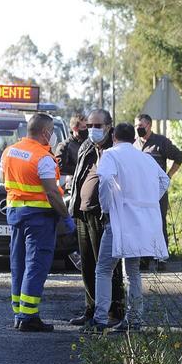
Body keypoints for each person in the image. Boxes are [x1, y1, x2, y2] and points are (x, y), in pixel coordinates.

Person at [91, 123, 171, 332]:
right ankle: (134, 318)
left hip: (118, 220)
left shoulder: (110, 154)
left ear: (114, 137)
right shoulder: (145, 157)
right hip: (141, 221)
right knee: (133, 271)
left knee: (104, 269)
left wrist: (107, 205)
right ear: (134, 139)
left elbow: (106, 178)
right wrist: (148, 201)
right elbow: (164, 180)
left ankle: (100, 319)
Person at [0, 112, 73, 332]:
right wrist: (66, 216)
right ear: (45, 132)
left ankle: (18, 312)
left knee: (18, 264)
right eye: (51, 133)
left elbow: (6, 179)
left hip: (15, 214)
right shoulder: (43, 158)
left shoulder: (9, 151)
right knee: (36, 264)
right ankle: (29, 316)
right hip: (39, 219)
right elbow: (52, 193)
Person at [66, 109, 126, 326]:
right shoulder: (86, 146)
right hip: (83, 213)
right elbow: (78, 177)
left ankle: (114, 312)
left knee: (108, 267)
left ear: (109, 127)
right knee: (88, 265)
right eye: (89, 126)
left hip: (104, 215)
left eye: (97, 126)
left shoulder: (116, 150)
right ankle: (91, 310)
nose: (92, 130)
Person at [136, 113, 182, 271]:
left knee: (158, 223)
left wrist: (168, 175)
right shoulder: (134, 144)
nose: (138, 129)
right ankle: (144, 258)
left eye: (141, 127)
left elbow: (179, 156)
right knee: (141, 224)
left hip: (157, 191)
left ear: (149, 126)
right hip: (139, 192)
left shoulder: (161, 142)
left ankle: (161, 258)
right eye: (136, 126)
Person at [55, 113, 87, 190]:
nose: (87, 130)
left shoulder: (88, 144)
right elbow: (60, 167)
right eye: (84, 127)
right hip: (70, 186)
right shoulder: (64, 146)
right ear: (75, 128)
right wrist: (80, 169)